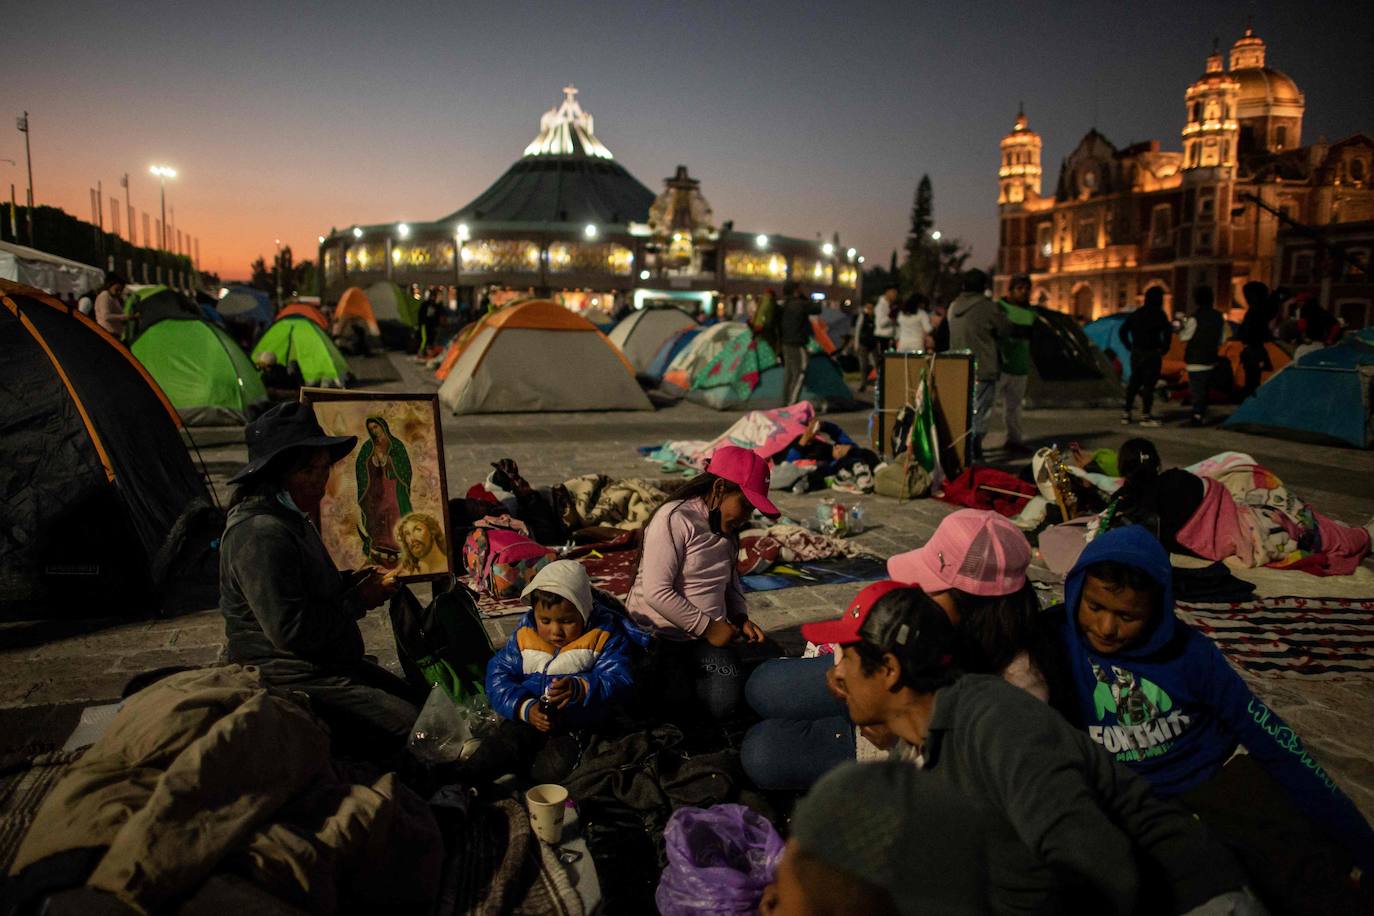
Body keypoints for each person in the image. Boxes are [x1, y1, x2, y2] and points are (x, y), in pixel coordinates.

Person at [806, 583, 1256, 914]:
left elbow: (1100, 871)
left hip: (1188, 900)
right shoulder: (920, 735)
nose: (835, 673)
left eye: (844, 656)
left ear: (888, 670)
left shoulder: (998, 725)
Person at [1057, 526, 1374, 913]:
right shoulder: (1055, 643)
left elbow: (1272, 740)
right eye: (1095, 606)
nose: (1107, 628)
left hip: (1213, 776)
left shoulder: (1193, 655)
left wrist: (1361, 842)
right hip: (1131, 797)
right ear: (1076, 592)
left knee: (1305, 868)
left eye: (1127, 615)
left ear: (1158, 608)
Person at [742, 510, 1066, 792]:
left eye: (932, 586)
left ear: (969, 604)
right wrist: (846, 671)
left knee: (762, 751)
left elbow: (956, 784)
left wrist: (895, 732)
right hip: (876, 702)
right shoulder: (929, 618)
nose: (919, 591)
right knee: (763, 685)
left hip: (897, 749)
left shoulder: (1015, 689)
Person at [219, 402, 420, 756]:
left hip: (329, 663)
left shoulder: (290, 517)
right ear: (277, 473)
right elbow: (291, 629)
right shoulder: (259, 533)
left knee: (424, 705)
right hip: (290, 676)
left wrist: (353, 580)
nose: (320, 482)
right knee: (415, 732)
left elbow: (308, 585)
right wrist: (361, 599)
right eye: (307, 471)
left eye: (324, 469)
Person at [624, 446, 777, 720]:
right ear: (719, 488)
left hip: (707, 640)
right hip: (661, 638)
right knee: (681, 703)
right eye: (745, 504)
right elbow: (656, 591)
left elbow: (730, 583)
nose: (746, 516)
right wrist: (708, 627)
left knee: (732, 696)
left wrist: (740, 617)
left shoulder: (728, 531)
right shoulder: (676, 518)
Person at [472, 561, 642, 783]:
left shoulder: (604, 636)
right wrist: (525, 707)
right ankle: (459, 785)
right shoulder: (525, 635)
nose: (556, 631)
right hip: (529, 718)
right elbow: (497, 675)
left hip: (577, 726)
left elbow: (620, 679)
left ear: (584, 612)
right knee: (495, 751)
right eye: (546, 621)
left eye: (567, 621)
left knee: (550, 772)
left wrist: (581, 688)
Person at [947, 269, 1014, 462]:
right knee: (980, 411)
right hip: (983, 366)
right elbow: (1005, 329)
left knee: (962, 409)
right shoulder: (988, 307)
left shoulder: (954, 306)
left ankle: (962, 448)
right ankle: (973, 447)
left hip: (957, 367)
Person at [355, 416, 412, 565]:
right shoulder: (368, 447)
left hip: (393, 486)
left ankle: (398, 545)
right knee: (378, 513)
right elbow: (361, 465)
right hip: (376, 488)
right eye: (371, 429)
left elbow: (405, 468)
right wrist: (371, 463)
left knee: (394, 510)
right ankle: (380, 545)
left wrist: (390, 462)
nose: (374, 431)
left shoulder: (396, 445)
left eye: (376, 427)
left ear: (383, 426)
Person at [776, 416, 880, 494]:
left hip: (796, 452)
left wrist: (818, 429)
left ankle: (874, 470)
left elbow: (788, 464)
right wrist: (816, 430)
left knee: (862, 453)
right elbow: (837, 432)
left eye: (840, 448)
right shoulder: (832, 450)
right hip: (798, 445)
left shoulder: (835, 459)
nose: (838, 446)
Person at [1119, 286, 1173, 427]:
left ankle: (1126, 413)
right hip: (1152, 352)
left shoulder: (1137, 314)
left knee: (1134, 383)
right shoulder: (1159, 314)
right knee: (1149, 384)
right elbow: (1168, 332)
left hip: (1136, 352)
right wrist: (1165, 348)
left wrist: (1129, 346)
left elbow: (1122, 331)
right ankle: (1145, 416)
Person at [995, 273, 1036, 453]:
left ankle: (1014, 440)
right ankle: (973, 441)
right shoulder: (999, 308)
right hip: (999, 367)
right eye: (1020, 289)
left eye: (1027, 289)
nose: (1024, 292)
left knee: (1014, 408)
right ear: (1010, 290)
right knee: (984, 407)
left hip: (1020, 367)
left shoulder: (1032, 313)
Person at [1178, 286, 1226, 426]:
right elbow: (1221, 338)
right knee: (1204, 389)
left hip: (1195, 358)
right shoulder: (1218, 316)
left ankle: (1197, 416)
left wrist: (1181, 328)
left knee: (1197, 389)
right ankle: (1201, 413)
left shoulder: (1195, 318)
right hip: (1211, 357)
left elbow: (1184, 337)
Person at [778, 280, 821, 404]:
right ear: (796, 291)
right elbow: (817, 308)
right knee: (800, 373)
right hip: (797, 343)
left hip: (785, 343)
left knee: (789, 374)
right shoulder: (800, 304)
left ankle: (784, 403)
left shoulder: (785, 304)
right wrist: (804, 297)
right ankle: (792, 405)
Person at [1237, 281, 1276, 400]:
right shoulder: (1261, 311)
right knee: (1254, 378)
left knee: (1252, 378)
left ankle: (1252, 399)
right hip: (1256, 349)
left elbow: (1249, 331)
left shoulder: (1254, 312)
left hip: (1253, 349)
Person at [851, 300, 880, 393]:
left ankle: (879, 383)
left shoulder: (876, 317)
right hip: (863, 343)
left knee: (877, 364)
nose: (869, 309)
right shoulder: (862, 316)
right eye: (868, 307)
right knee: (863, 364)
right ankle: (863, 384)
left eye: (871, 308)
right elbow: (858, 330)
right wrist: (856, 343)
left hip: (873, 343)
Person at [92, 273, 131, 339]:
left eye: (120, 290)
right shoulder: (105, 295)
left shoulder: (113, 298)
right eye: (117, 289)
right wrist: (124, 317)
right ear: (110, 285)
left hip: (114, 333)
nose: (119, 292)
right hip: (107, 333)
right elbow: (106, 316)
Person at [872, 285, 898, 353]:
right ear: (887, 292)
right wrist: (891, 318)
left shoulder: (890, 305)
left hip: (890, 338)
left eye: (896, 293)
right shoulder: (880, 306)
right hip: (882, 338)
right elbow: (881, 324)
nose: (895, 295)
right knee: (883, 362)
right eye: (893, 292)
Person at [415, 288, 441, 355]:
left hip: (431, 325)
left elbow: (436, 316)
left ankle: (428, 351)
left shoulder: (436, 306)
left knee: (430, 338)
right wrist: (420, 323)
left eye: (434, 296)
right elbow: (421, 314)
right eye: (432, 296)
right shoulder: (425, 305)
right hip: (424, 324)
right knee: (424, 338)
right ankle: (421, 351)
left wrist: (436, 325)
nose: (433, 298)